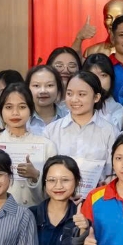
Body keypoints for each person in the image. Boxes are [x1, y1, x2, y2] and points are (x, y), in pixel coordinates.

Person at [47, 70, 116, 198]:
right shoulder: (51, 131)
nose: (74, 99)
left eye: (81, 94)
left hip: (97, 200)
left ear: (96, 97)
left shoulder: (110, 132)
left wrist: (107, 182)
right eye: (69, 93)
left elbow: (113, 171)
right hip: (59, 199)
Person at [0, 82, 55, 205]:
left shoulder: (46, 145)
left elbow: (53, 193)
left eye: (22, 107)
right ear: (0, 110)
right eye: (9, 107)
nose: (15, 113)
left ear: (31, 110)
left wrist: (35, 176)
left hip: (33, 213)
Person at [26, 65, 65, 132]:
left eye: (49, 85)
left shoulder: (69, 117)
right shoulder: (22, 120)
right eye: (36, 85)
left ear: (58, 88)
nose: (43, 91)